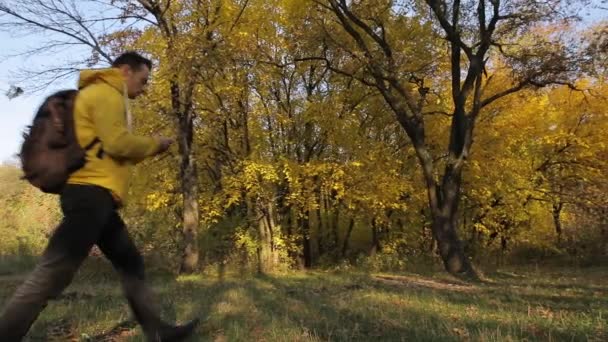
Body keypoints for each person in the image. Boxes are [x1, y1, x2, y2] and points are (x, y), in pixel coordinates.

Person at [0, 51, 198, 341]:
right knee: (53, 271)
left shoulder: (97, 94)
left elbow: (106, 150)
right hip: (90, 196)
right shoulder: (107, 93)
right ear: (124, 71)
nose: (143, 90)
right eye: (143, 81)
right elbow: (117, 144)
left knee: (130, 262)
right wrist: (155, 144)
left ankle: (159, 332)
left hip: (98, 198)